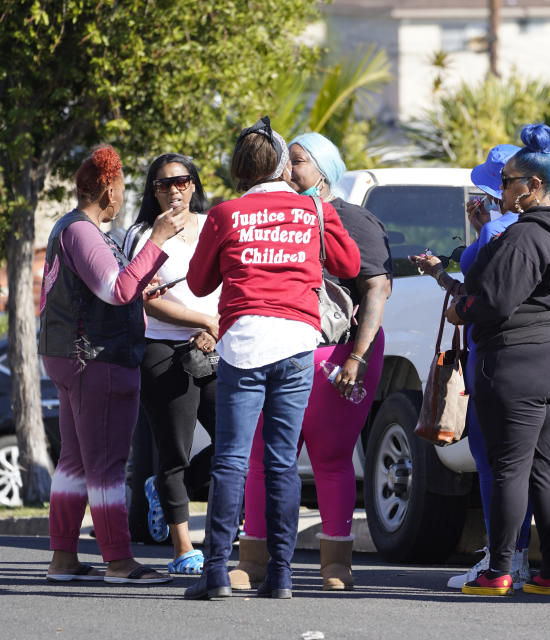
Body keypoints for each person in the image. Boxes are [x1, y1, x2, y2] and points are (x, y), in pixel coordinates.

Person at [183, 117, 360, 600]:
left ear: (238, 168)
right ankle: (280, 575)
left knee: (232, 460)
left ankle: (216, 572)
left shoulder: (225, 213)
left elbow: (199, 284)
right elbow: (349, 266)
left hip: (243, 340)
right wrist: (319, 215)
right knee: (283, 463)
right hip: (298, 342)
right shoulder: (313, 210)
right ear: (283, 165)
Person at [233, 132, 392, 592]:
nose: (288, 170)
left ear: (324, 170)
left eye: (297, 162)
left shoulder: (351, 219)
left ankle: (336, 564)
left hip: (339, 352)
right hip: (282, 347)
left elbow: (377, 290)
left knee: (330, 454)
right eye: (287, 162)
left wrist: (356, 358)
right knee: (263, 454)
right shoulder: (279, 215)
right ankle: (253, 560)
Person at [443, 123, 550, 596]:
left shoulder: (525, 235)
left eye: (508, 181)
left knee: (510, 466)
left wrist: (461, 307)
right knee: (544, 464)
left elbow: (496, 301)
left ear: (534, 186)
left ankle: (499, 569)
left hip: (521, 357)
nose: (501, 189)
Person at [39, 144, 186, 584]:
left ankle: (63, 559)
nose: (124, 194)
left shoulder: (77, 230)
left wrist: (142, 287)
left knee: (76, 462)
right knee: (105, 462)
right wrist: (157, 239)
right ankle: (119, 561)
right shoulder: (83, 231)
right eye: (121, 185)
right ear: (107, 189)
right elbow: (114, 289)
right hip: (95, 360)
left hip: (75, 358)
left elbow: (117, 287)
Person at [410, 143, 537, 590]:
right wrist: (442, 275)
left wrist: (480, 230)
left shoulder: (497, 229)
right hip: (540, 356)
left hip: (495, 356)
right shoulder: (543, 228)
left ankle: (501, 559)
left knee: (492, 463)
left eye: (490, 184)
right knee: (529, 464)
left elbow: (477, 293)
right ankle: (520, 557)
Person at [123, 154, 220, 575]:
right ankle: (183, 549)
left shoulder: (215, 225)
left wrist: (215, 330)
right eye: (164, 184)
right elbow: (145, 296)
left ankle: (164, 492)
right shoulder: (143, 234)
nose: (174, 189)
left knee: (237, 444)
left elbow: (234, 280)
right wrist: (203, 320)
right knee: (174, 450)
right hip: (162, 350)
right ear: (153, 191)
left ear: (194, 185)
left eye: (182, 181)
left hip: (217, 345)